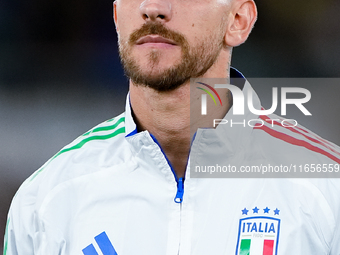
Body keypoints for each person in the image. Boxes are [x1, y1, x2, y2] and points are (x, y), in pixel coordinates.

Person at [4, 0, 340, 254]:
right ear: (117, 14)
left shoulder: (326, 186)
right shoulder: (45, 199)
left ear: (238, 20)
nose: (153, 8)